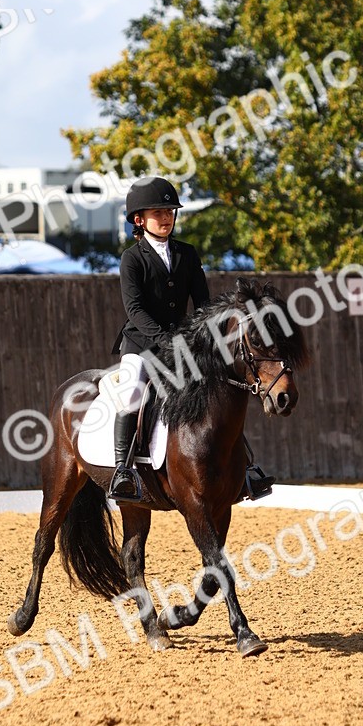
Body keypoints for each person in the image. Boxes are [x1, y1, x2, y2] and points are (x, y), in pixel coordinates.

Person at [108, 175, 210, 501]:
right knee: (131, 392)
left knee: (216, 388)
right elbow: (134, 308)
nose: (166, 218)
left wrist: (200, 337)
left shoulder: (187, 254)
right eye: (158, 212)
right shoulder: (132, 258)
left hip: (181, 343)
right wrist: (165, 340)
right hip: (141, 343)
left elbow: (203, 303)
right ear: (140, 220)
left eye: (170, 211)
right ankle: (122, 470)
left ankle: (244, 467)